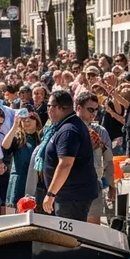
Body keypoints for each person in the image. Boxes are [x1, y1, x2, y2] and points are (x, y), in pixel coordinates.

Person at [42, 90, 97, 221]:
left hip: (72, 198)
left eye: (50, 106)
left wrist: (50, 193)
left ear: (60, 107)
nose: (48, 109)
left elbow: (65, 164)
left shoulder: (69, 130)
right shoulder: (68, 125)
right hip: (69, 196)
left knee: (70, 238)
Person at [75, 90, 115, 224]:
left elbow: (109, 160)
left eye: (96, 110)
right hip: (72, 185)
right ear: (79, 108)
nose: (94, 113)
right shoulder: (68, 129)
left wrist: (111, 185)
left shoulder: (100, 131)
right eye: (90, 109)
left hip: (94, 183)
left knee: (93, 228)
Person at [2, 108, 42, 211]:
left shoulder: (41, 138)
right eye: (24, 120)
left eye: (30, 119)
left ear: (36, 121)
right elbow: (5, 145)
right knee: (15, 212)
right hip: (18, 181)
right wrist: (15, 126)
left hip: (35, 181)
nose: (26, 122)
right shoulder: (18, 137)